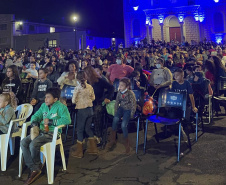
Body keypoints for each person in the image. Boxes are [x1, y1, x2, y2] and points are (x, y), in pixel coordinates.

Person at [20, 88, 71, 185]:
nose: (45, 99)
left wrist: (52, 122)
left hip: (53, 133)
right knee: (23, 142)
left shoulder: (61, 107)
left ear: (55, 99)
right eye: (45, 97)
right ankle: (35, 168)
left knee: (33, 145)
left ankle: (35, 168)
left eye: (48, 97)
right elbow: (36, 115)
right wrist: (34, 123)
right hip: (41, 131)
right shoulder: (43, 106)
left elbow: (67, 120)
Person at [106, 78, 136, 154]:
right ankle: (113, 140)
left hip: (128, 110)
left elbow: (133, 105)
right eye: (119, 85)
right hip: (121, 108)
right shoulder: (119, 93)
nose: (120, 87)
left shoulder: (130, 94)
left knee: (123, 125)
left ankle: (127, 143)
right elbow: (116, 103)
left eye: (122, 85)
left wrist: (131, 114)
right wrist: (116, 112)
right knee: (115, 120)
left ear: (127, 86)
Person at [84, 66, 114, 143]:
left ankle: (98, 135)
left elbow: (111, 88)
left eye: (86, 74)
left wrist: (108, 97)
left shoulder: (99, 81)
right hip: (89, 102)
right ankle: (86, 134)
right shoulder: (85, 82)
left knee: (97, 111)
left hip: (99, 102)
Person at [71, 71, 97, 158]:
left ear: (77, 79)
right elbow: (93, 98)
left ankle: (79, 152)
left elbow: (73, 101)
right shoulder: (90, 87)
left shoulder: (77, 88)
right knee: (88, 128)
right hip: (90, 110)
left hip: (82, 110)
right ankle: (93, 149)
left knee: (80, 130)